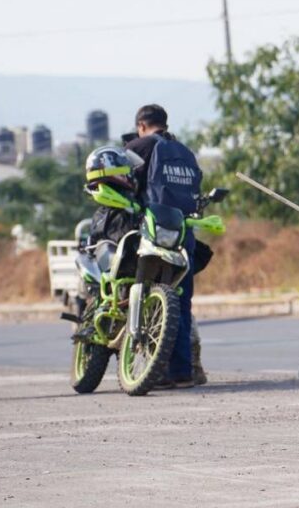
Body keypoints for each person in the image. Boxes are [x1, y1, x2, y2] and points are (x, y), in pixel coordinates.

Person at [126, 104, 206, 389]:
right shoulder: (185, 152)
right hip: (185, 233)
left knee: (147, 297)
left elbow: (125, 185)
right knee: (179, 300)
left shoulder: (139, 146)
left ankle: (154, 371)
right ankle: (182, 372)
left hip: (154, 232)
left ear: (142, 125)